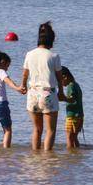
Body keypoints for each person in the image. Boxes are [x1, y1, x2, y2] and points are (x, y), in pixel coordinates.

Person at [21, 22, 69, 150]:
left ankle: (35, 157)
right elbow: (59, 77)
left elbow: (25, 74)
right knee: (50, 130)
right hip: (48, 93)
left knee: (36, 129)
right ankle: (47, 159)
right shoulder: (54, 56)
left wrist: (23, 86)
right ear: (51, 39)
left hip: (32, 94)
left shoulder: (29, 54)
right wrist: (61, 93)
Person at [60, 66, 83, 149]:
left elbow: (72, 99)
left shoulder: (71, 86)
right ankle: (77, 153)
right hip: (79, 115)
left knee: (69, 138)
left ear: (65, 77)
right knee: (74, 138)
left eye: (60, 80)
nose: (60, 83)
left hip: (72, 116)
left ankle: (70, 155)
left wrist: (62, 98)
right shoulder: (76, 84)